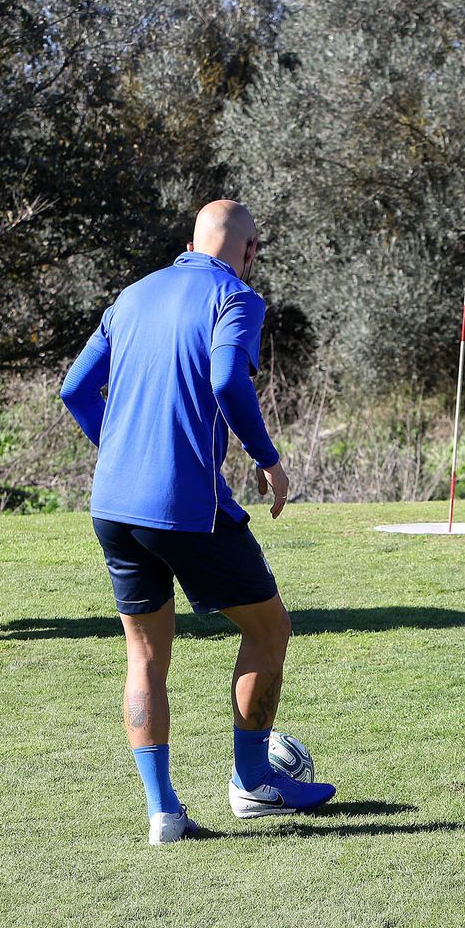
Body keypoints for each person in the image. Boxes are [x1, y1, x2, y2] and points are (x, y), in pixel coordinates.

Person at [60, 200, 336, 845]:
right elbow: (226, 379)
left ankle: (163, 814)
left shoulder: (130, 296)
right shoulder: (237, 296)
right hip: (187, 506)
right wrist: (268, 459)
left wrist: (125, 448)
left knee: (146, 654)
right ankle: (255, 784)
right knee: (270, 628)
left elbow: (75, 389)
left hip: (112, 504)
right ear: (249, 249)